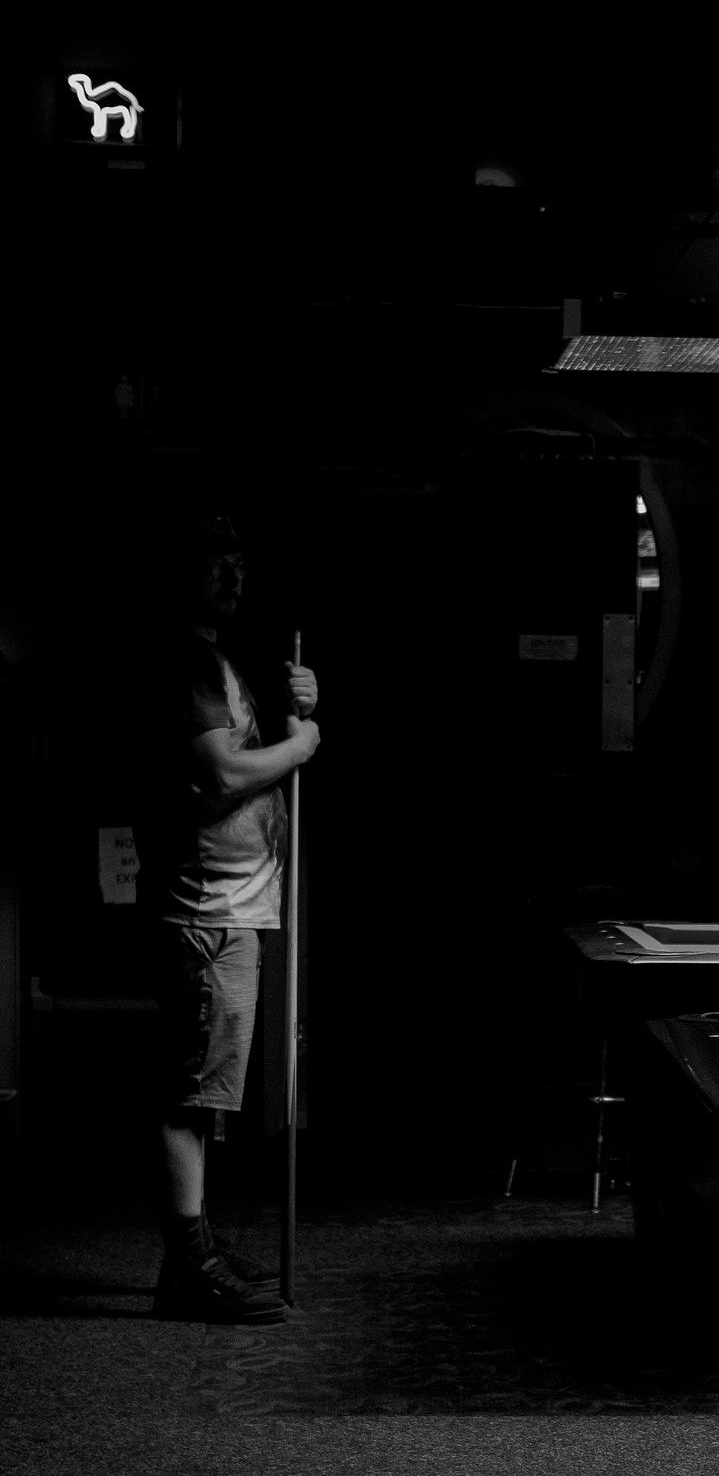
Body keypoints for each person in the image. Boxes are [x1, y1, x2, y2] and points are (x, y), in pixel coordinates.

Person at [135, 513, 320, 1324]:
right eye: (216, 562)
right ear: (181, 573)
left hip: (232, 905)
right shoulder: (183, 659)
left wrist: (295, 706)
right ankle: (187, 1265)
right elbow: (217, 775)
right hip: (208, 908)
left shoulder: (213, 658)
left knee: (206, 1093)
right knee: (189, 1093)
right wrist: (302, 744)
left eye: (240, 562)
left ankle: (197, 1241)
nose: (233, 576)